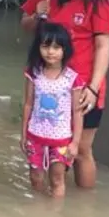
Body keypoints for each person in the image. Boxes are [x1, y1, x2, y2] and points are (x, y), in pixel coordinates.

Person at [20, 0, 109, 189]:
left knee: (81, 150)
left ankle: (84, 206)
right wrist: (37, 15)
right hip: (47, 84)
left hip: (82, 87)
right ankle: (50, 202)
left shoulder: (99, 1)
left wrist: (93, 87)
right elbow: (25, 26)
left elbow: (103, 47)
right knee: (43, 147)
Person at [21, 22, 84, 198]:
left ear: (65, 49)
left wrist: (75, 143)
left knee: (57, 179)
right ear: (38, 48)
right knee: (35, 178)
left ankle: (55, 211)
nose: (50, 52)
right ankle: (38, 209)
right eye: (45, 46)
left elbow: (77, 112)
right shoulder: (33, 73)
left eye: (56, 47)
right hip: (35, 136)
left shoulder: (72, 78)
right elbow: (28, 104)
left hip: (61, 140)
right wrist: (23, 135)